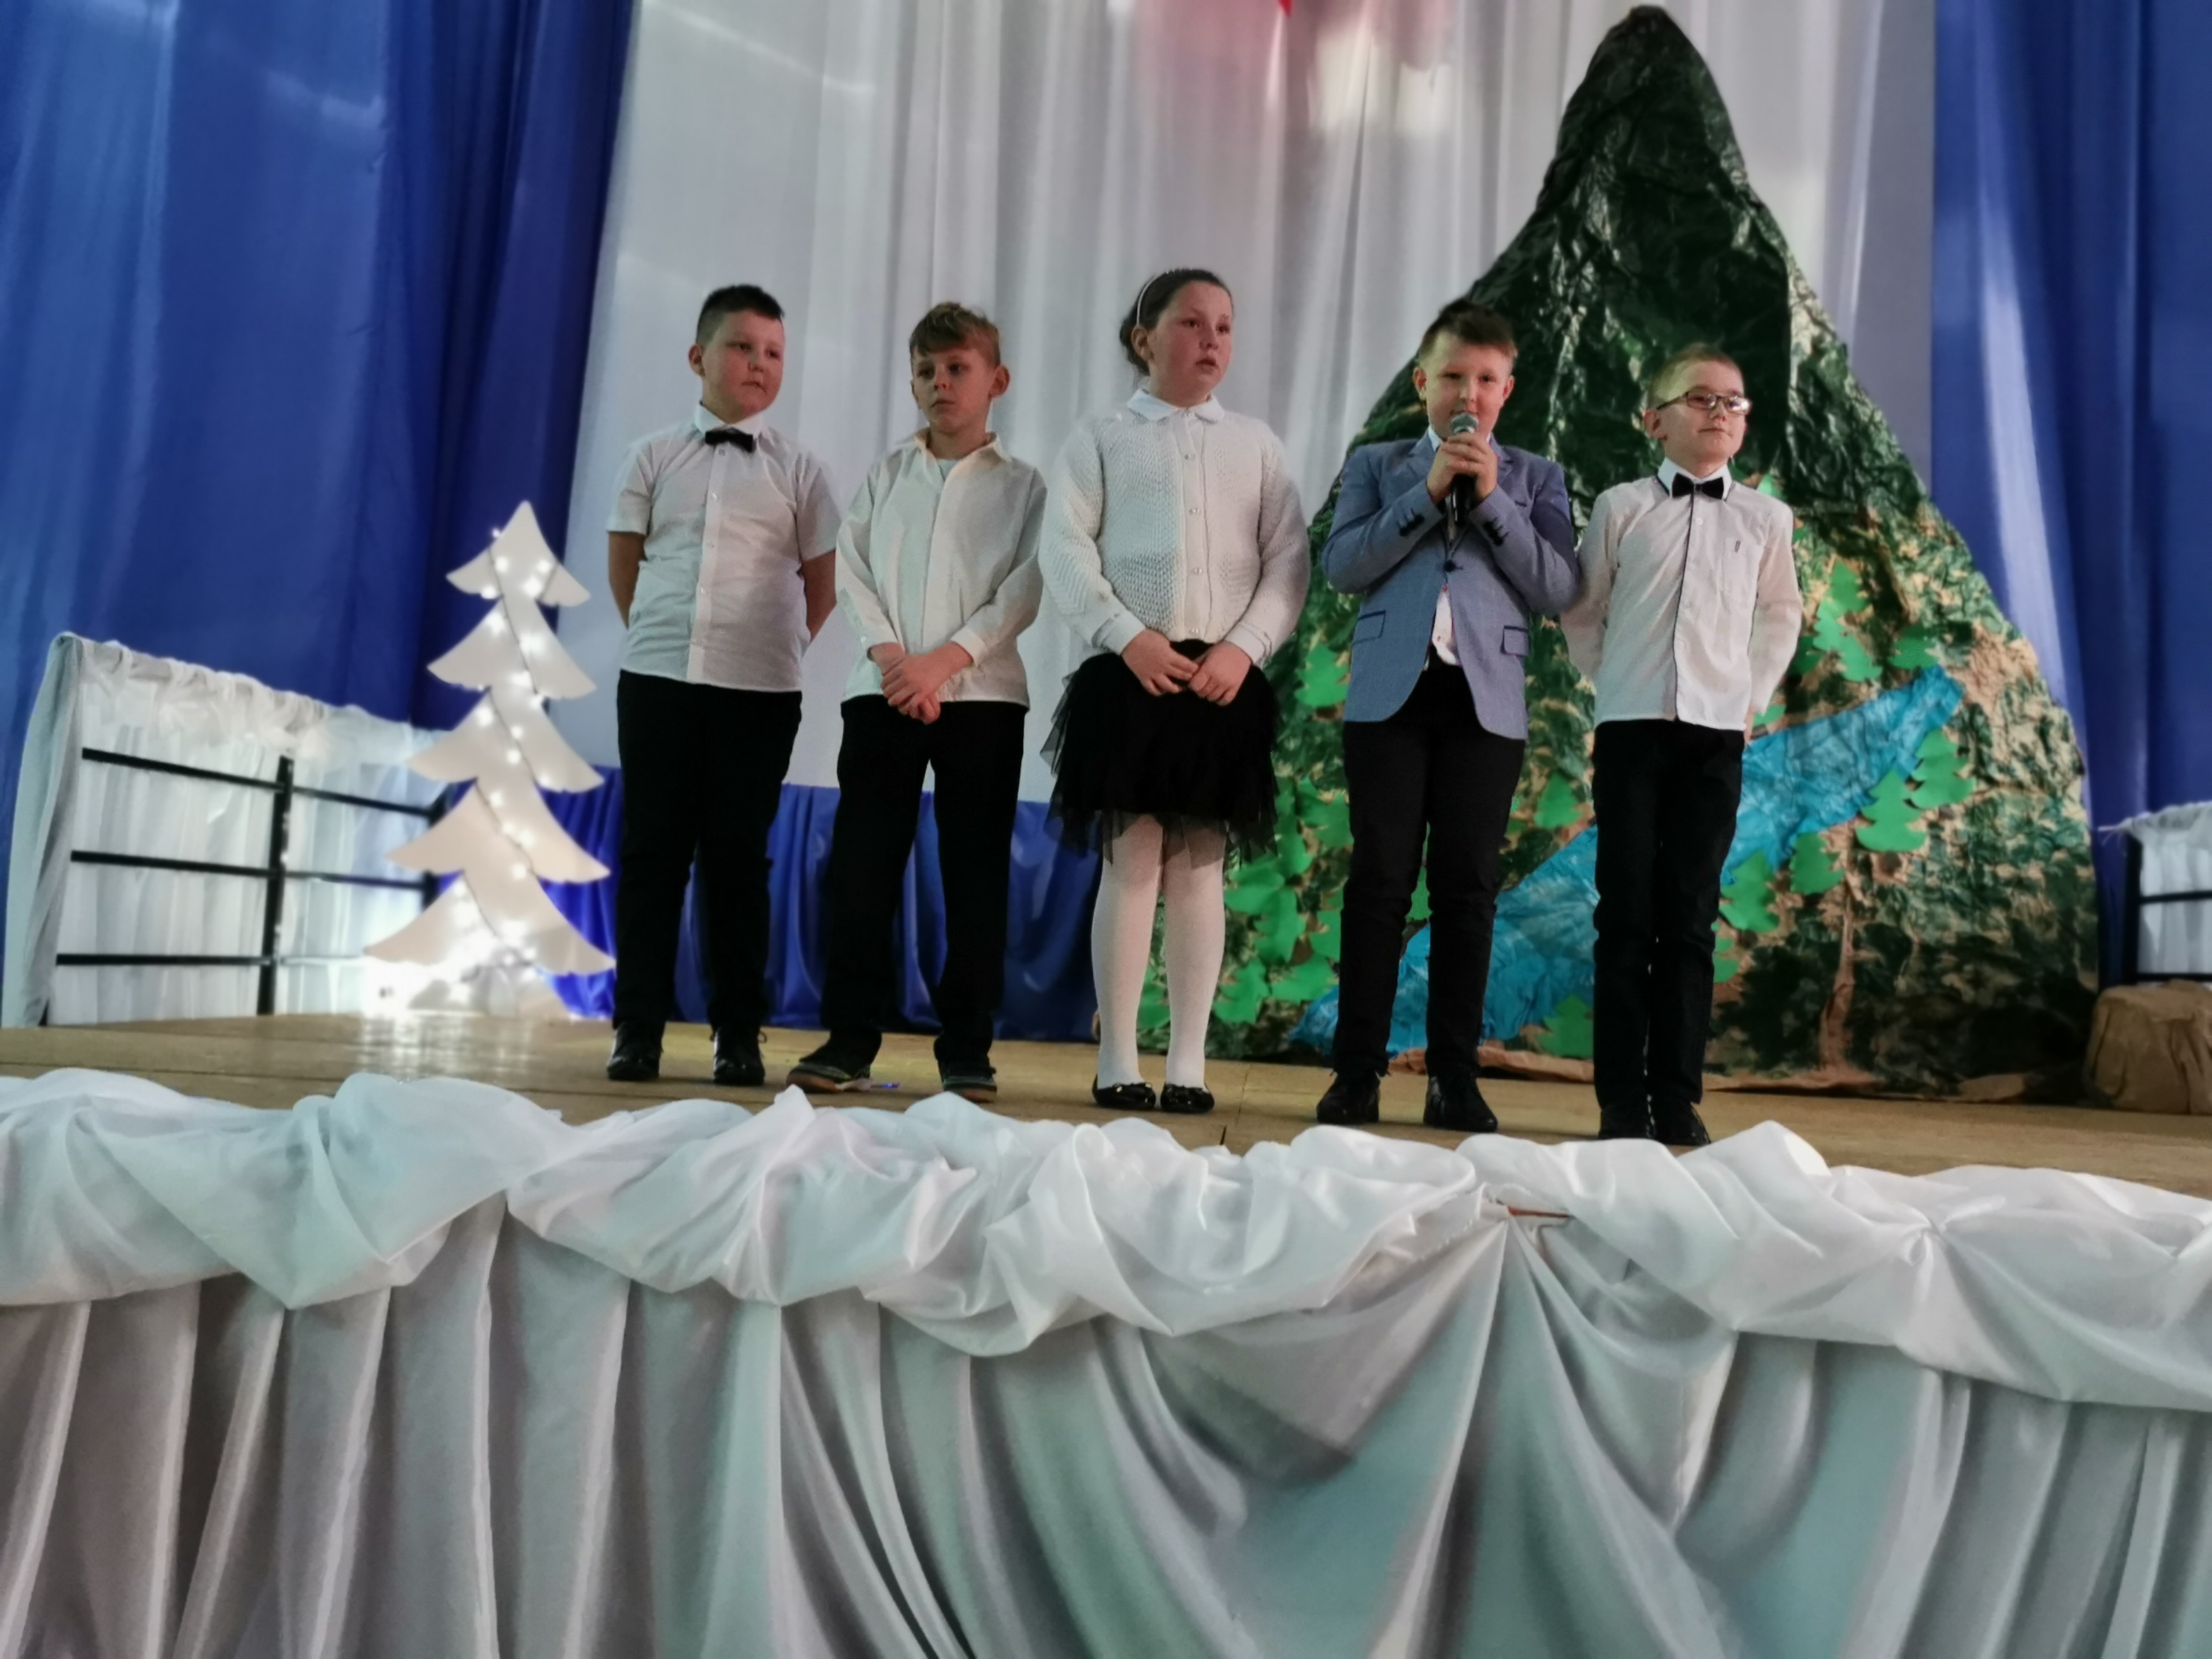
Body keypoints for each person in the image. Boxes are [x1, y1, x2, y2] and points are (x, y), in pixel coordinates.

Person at [1039, 268, 1309, 1114]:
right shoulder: (1101, 437)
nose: (1212, 340)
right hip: (1132, 675)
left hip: (1221, 682)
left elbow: (1287, 563)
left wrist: (1246, 648)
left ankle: (1188, 1061)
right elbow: (1064, 551)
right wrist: (1127, 636)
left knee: (1200, 873)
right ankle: (1117, 1056)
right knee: (1132, 864)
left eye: (1224, 326)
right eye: (1192, 323)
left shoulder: (1256, 445)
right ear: (1144, 338)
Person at [1313, 301, 1581, 1130]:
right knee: (1380, 882)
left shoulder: (1536, 477)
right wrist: (1427, 496)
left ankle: (1454, 1078)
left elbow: (1557, 588)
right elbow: (1342, 565)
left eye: (1487, 379)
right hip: (1390, 698)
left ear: (1507, 390)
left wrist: (1493, 500)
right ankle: (1357, 1072)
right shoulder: (1378, 464)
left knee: (1467, 889)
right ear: (1422, 381)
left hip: (1484, 703)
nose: (1470, 393)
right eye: (1454, 376)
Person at [786, 303, 1044, 1102]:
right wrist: (896, 661)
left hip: (983, 699)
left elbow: (1024, 588)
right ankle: (849, 1040)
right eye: (927, 371)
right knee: (862, 871)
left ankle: (967, 1048)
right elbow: (852, 570)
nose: (941, 383)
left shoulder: (1025, 488)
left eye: (958, 368)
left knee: (974, 877)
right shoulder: (887, 476)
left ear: (997, 380)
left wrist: (944, 663)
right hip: (883, 694)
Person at [1560, 344, 1801, 1145]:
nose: (1720, 413)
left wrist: (1748, 696)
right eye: (1701, 398)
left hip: (1715, 738)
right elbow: (1583, 607)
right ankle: (1620, 1100)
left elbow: (1781, 613)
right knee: (1625, 914)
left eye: (1734, 402)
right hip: (1631, 732)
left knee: (1690, 917)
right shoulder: (1622, 507)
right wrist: (1614, 681)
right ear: (1654, 420)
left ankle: (1676, 1096)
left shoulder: (1765, 519)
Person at [603, 284, 840, 1085]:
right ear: (698, 357)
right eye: (743, 347)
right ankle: (636, 1030)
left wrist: (778, 649)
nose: (760, 364)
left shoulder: (801, 471)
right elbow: (626, 567)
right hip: (658, 681)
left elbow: (822, 585)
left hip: (759, 694)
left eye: (774, 352)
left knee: (739, 862)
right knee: (652, 856)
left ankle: (738, 1034)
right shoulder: (650, 456)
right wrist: (662, 638)